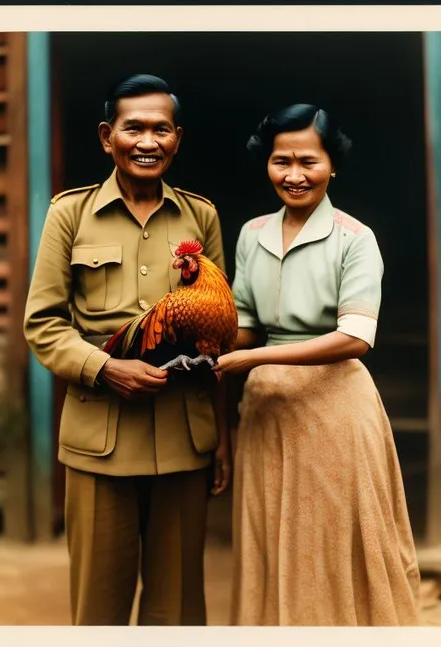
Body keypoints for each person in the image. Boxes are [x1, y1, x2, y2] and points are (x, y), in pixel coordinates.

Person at [24, 74, 231, 626]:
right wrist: (104, 367)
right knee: (98, 607)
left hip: (183, 438)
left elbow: (216, 332)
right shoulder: (69, 214)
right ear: (105, 136)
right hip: (99, 438)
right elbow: (43, 322)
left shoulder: (201, 217)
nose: (147, 141)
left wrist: (221, 436)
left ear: (177, 138)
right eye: (132, 127)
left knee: (180, 608)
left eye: (160, 129)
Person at [212, 104, 420, 626]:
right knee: (270, 540)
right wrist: (197, 325)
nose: (294, 174)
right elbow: (246, 324)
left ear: (333, 165)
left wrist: (254, 358)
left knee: (331, 543)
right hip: (265, 412)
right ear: (267, 163)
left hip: (335, 411)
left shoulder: (355, 238)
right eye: (281, 161)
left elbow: (354, 338)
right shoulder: (251, 233)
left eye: (309, 161)